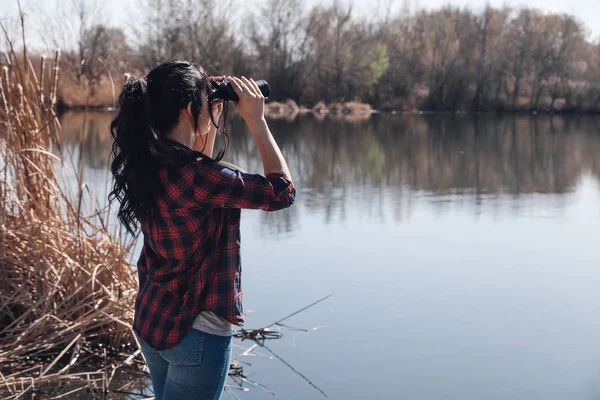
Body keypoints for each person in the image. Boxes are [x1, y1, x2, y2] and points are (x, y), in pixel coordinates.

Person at [108, 61, 295, 400]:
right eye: (204, 102)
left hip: (154, 320)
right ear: (190, 109)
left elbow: (197, 167)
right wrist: (257, 120)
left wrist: (207, 117)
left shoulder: (147, 161)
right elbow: (282, 192)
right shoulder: (201, 178)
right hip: (198, 334)